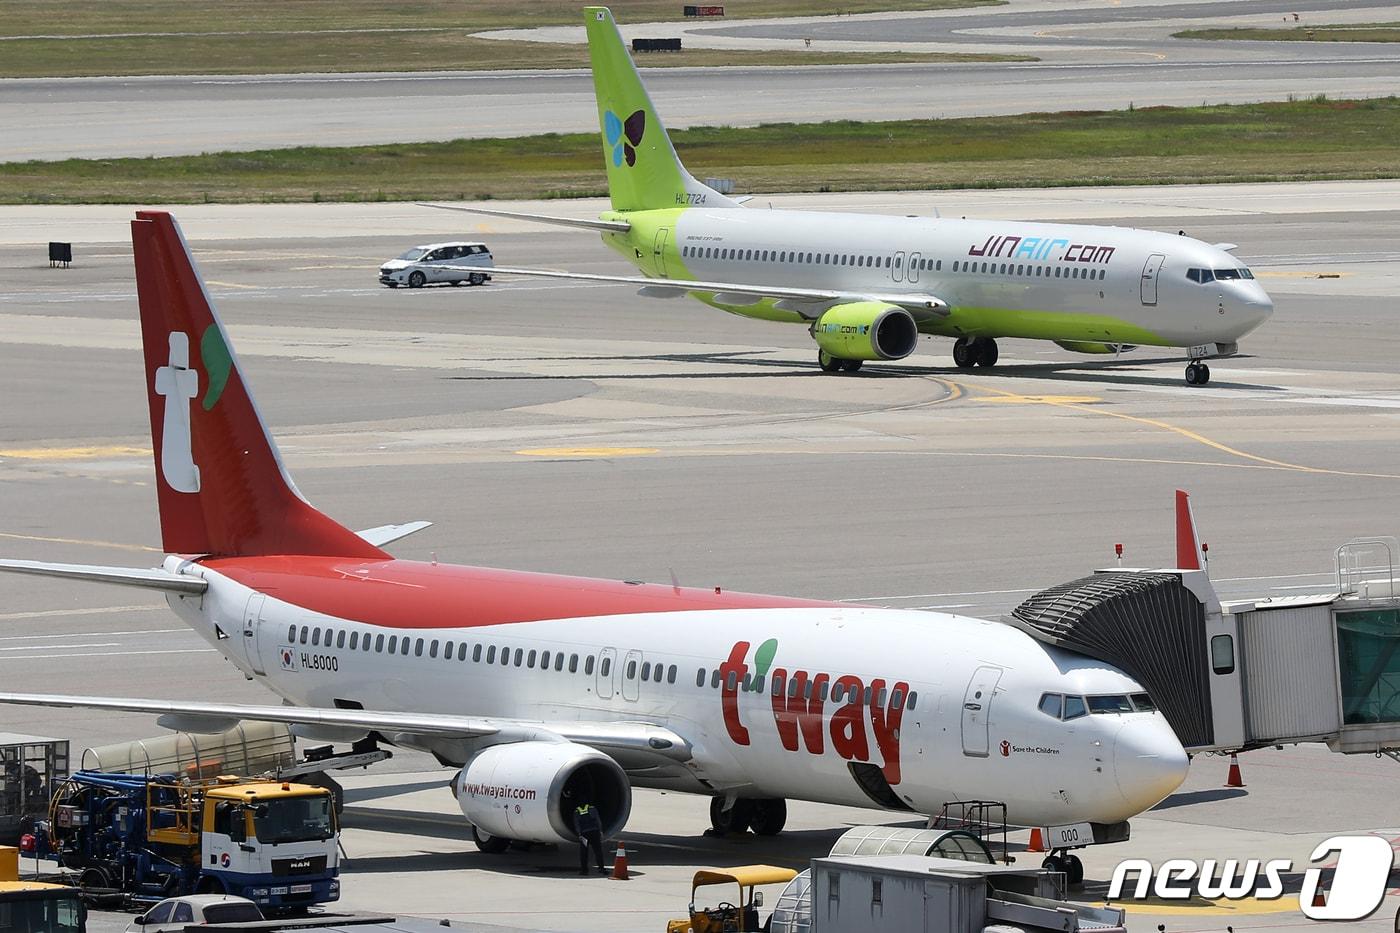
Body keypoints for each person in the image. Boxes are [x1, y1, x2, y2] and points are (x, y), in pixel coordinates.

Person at [574, 801, 606, 876]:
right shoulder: (592, 808)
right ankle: (601, 868)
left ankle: (584, 870)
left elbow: (577, 824)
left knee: (584, 853)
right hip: (594, 832)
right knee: (598, 851)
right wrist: (600, 830)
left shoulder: (577, 811)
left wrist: (579, 834)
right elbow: (598, 820)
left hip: (584, 834)